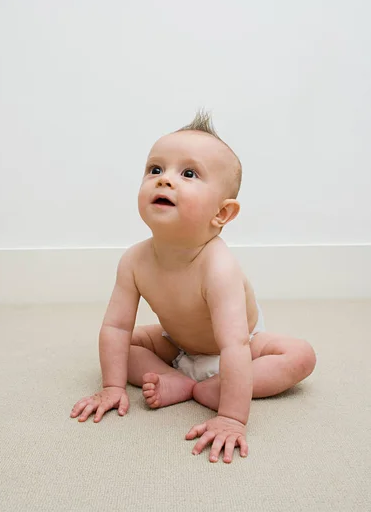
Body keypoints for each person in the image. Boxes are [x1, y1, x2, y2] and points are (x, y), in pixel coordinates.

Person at [70, 111, 316, 463]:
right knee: (121, 344)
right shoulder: (134, 260)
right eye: (155, 169)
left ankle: (211, 391)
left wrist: (231, 417)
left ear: (222, 214)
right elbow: (115, 325)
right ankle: (177, 380)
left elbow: (232, 345)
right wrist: (112, 385)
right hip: (178, 343)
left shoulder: (219, 266)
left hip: (241, 347)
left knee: (300, 356)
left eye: (188, 174)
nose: (164, 180)